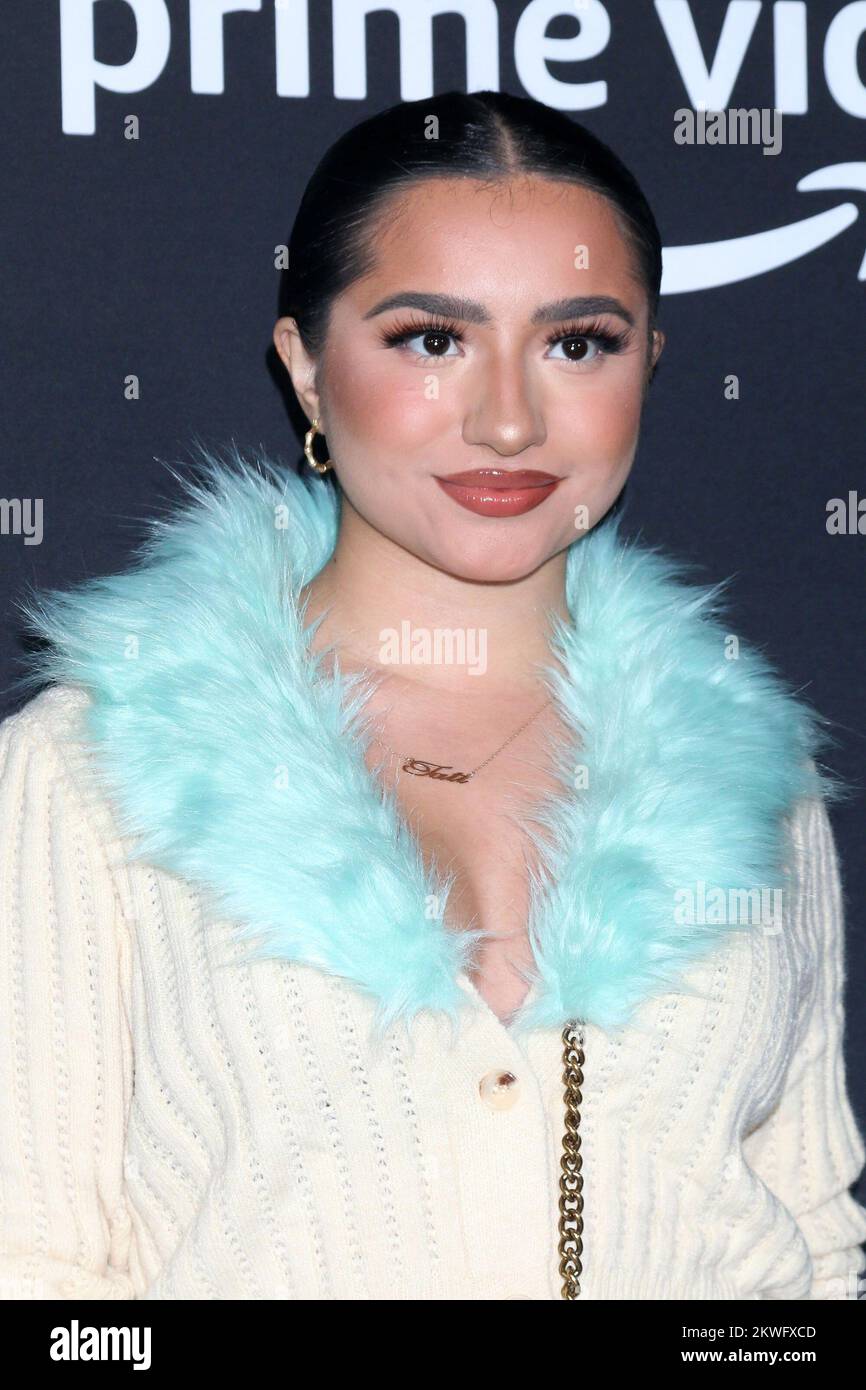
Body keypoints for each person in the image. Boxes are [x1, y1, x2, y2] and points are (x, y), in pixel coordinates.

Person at [1, 90, 864, 1301]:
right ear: (305, 369)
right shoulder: (95, 768)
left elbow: (812, 1252)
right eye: (429, 339)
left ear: (647, 363)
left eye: (577, 343)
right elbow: (32, 1276)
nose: (507, 419)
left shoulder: (746, 781)